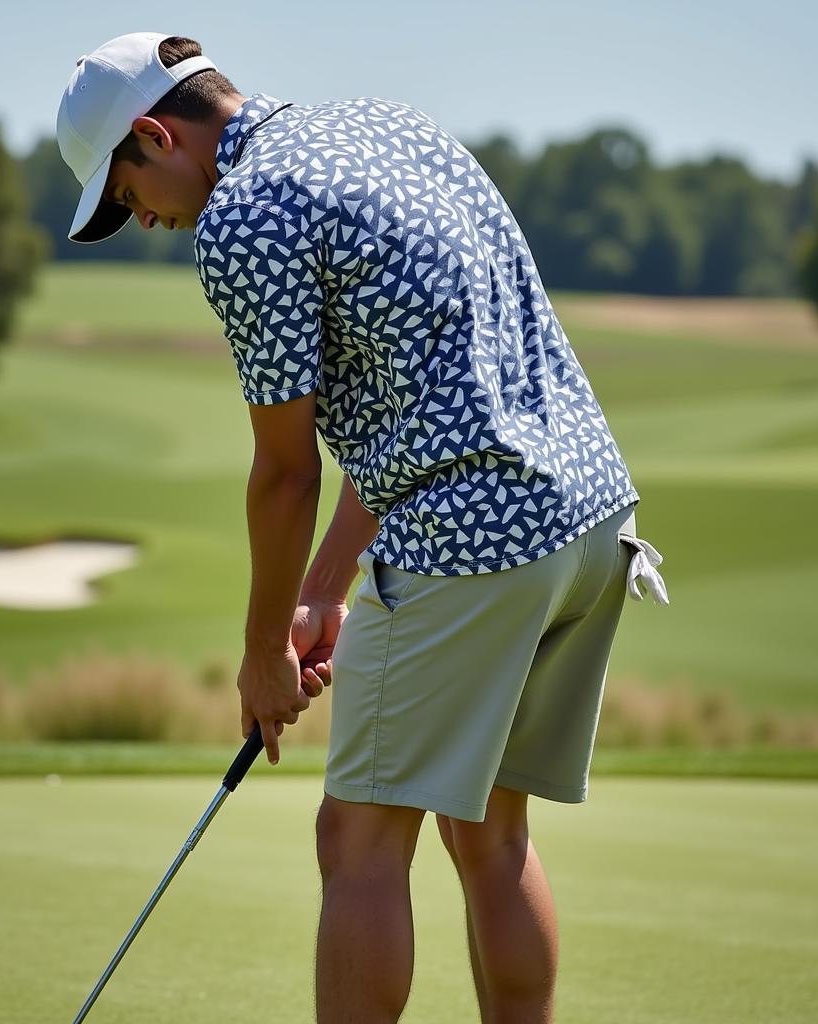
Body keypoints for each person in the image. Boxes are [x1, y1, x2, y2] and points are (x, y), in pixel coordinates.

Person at [57, 31, 670, 1024]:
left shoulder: (242, 217)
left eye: (129, 197)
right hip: (591, 515)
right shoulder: (387, 126)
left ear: (152, 134)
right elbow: (413, 406)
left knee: (357, 840)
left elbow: (285, 473)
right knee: (489, 834)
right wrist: (324, 587)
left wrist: (261, 654)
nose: (148, 221)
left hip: (468, 538)